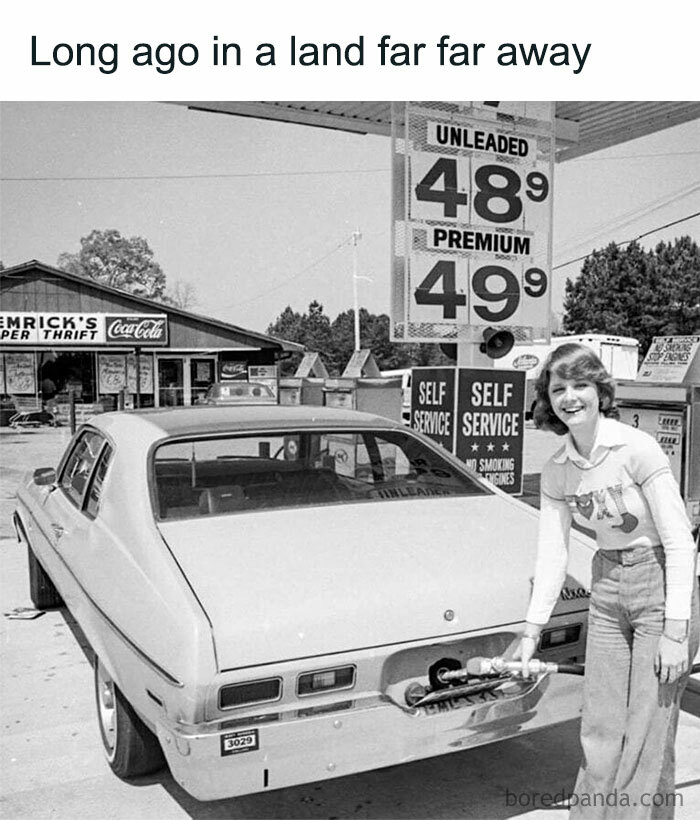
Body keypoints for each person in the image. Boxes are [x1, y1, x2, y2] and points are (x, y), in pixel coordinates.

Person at [513, 343, 699, 819]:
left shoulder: (635, 448)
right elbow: (552, 552)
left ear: (600, 392)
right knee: (600, 725)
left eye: (581, 385)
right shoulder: (557, 469)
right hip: (607, 587)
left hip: (660, 586)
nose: (570, 397)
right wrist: (531, 632)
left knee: (647, 727)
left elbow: (679, 542)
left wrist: (677, 633)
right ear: (547, 399)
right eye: (559, 389)